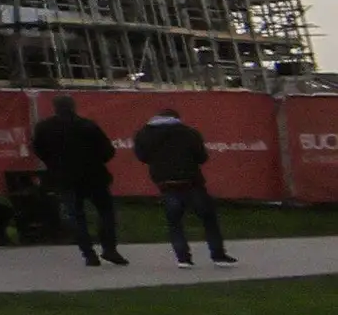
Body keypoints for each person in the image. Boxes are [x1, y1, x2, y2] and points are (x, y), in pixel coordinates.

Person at [129, 109, 236, 265]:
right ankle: (218, 254)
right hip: (191, 180)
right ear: (176, 118)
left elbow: (142, 157)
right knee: (208, 218)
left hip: (165, 182)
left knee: (174, 222)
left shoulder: (144, 134)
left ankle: (183, 258)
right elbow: (201, 157)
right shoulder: (188, 133)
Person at [30, 95, 124, 267]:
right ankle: (109, 247)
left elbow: (39, 149)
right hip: (94, 175)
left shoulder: (44, 128)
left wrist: (54, 164)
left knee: (76, 216)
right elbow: (107, 151)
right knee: (105, 212)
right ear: (73, 107)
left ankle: (88, 253)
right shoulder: (87, 126)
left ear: (55, 107)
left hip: (65, 177)